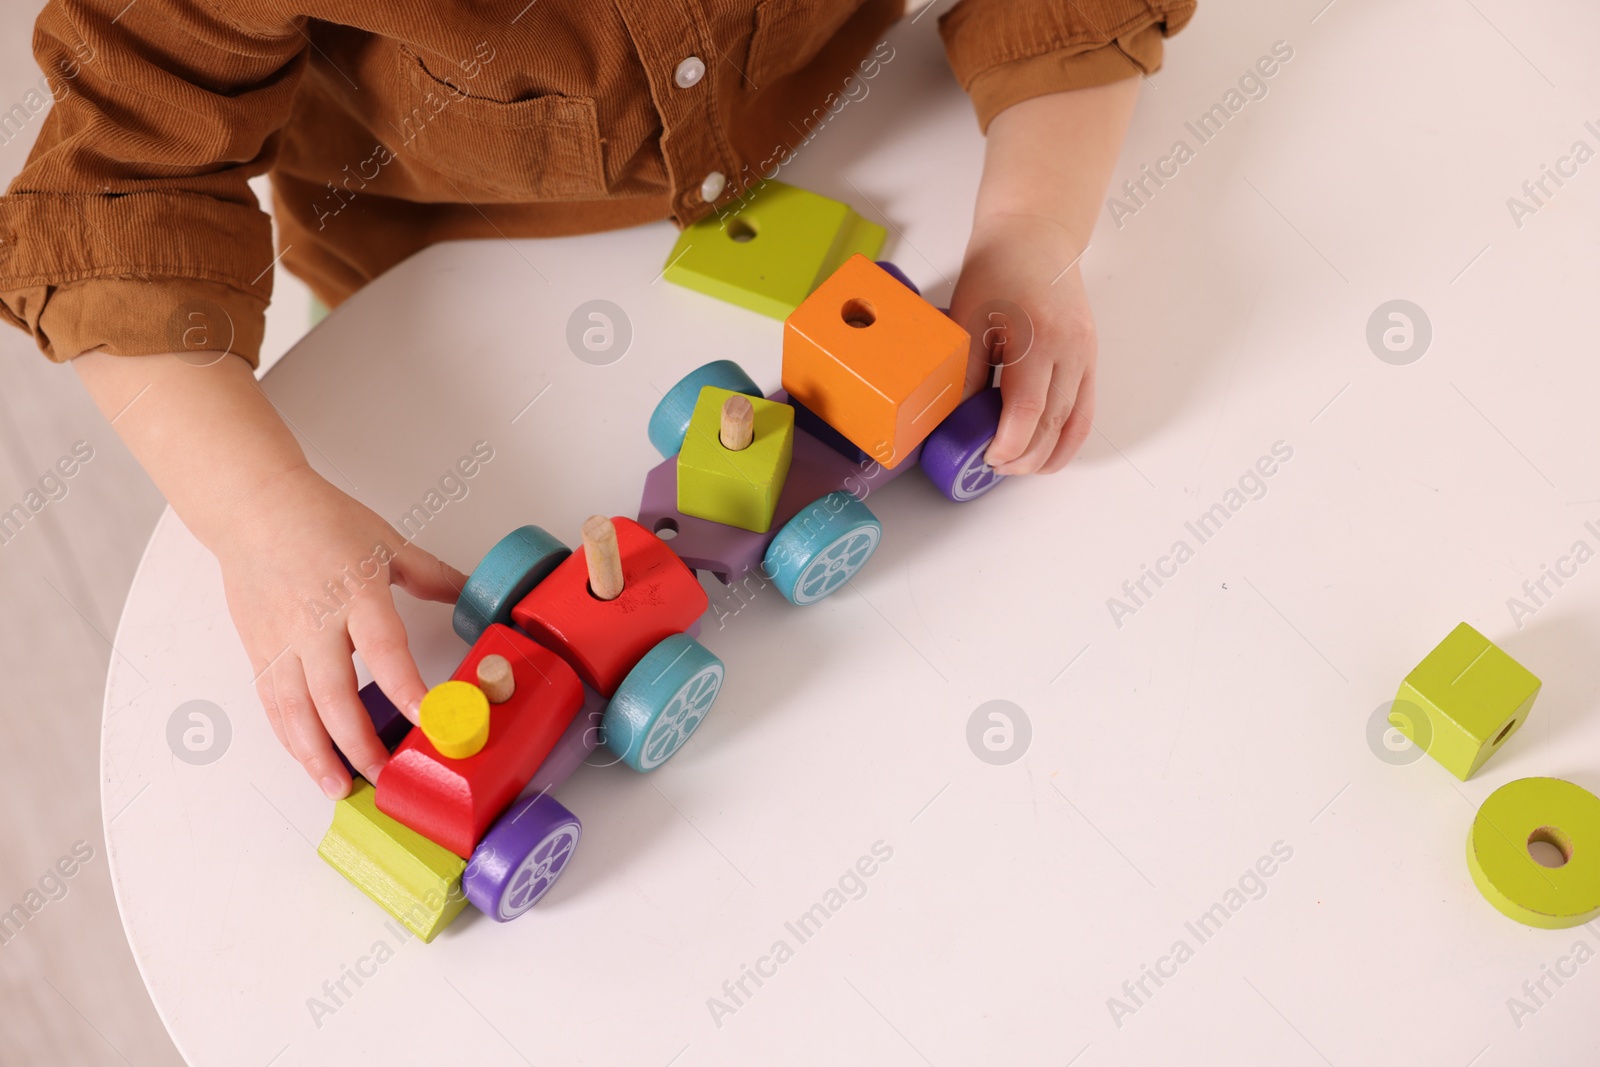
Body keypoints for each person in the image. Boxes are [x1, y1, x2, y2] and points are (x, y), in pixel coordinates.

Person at [0, 0, 1194, 797]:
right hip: (429, 279)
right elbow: (110, 209)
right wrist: (255, 510)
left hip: (856, 138)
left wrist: (1034, 225)